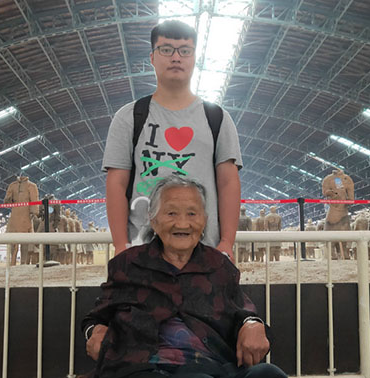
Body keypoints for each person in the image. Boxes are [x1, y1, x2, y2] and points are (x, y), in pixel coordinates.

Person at [83, 176, 285, 378]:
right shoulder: (129, 264)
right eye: (171, 213)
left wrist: (252, 324)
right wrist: (95, 331)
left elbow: (242, 311)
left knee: (268, 374)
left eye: (192, 213)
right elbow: (95, 318)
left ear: (204, 220)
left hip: (213, 365)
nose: (182, 223)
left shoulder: (219, 266)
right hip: (142, 367)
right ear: (154, 220)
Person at [102, 20, 242, 260]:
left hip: (204, 250)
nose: (176, 57)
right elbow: (116, 182)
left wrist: (226, 242)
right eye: (166, 49)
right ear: (152, 58)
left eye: (185, 50)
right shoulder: (130, 117)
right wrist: (121, 245)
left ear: (194, 57)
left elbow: (228, 182)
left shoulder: (217, 118)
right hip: (142, 250)